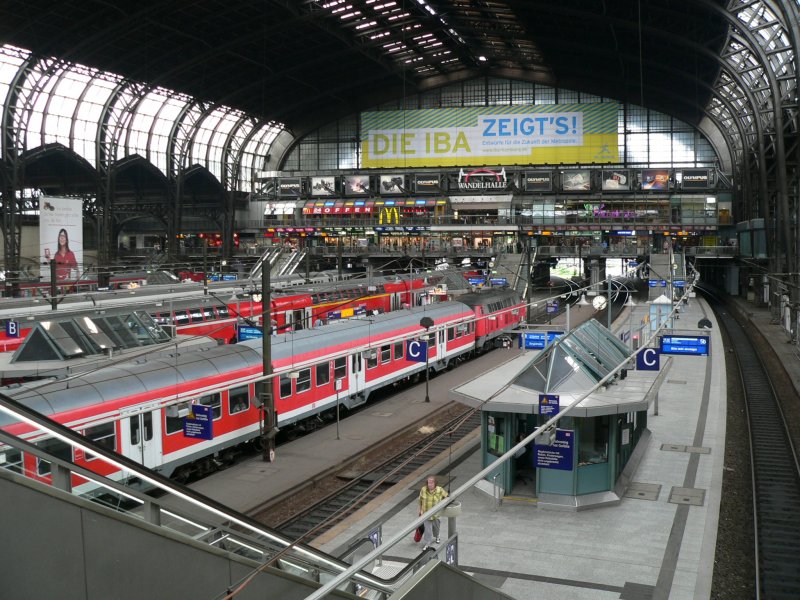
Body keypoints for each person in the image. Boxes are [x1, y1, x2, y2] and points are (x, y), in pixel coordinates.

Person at [418, 474, 448, 550]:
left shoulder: (439, 490)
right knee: (428, 530)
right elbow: (420, 500)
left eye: (431, 483)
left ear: (435, 483)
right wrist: (421, 511)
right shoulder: (423, 490)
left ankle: (437, 536)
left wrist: (443, 504)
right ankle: (427, 543)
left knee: (436, 528)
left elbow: (446, 496)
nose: (430, 485)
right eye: (428, 483)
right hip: (426, 514)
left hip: (436, 514)